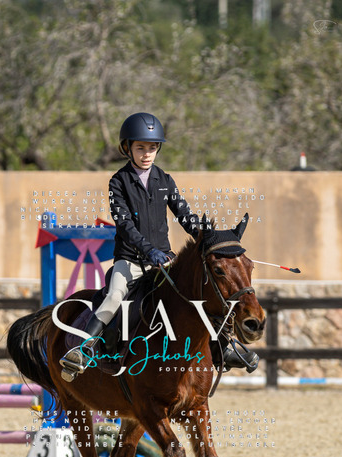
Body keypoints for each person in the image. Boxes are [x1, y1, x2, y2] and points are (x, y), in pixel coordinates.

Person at [59, 112, 258, 381]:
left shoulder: (165, 180)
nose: (147, 154)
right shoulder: (118, 182)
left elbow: (184, 215)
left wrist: (211, 238)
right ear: (127, 148)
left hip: (164, 261)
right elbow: (124, 225)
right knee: (115, 296)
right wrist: (147, 250)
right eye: (141, 148)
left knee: (201, 293)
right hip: (130, 261)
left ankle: (223, 348)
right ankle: (84, 349)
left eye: (152, 148)